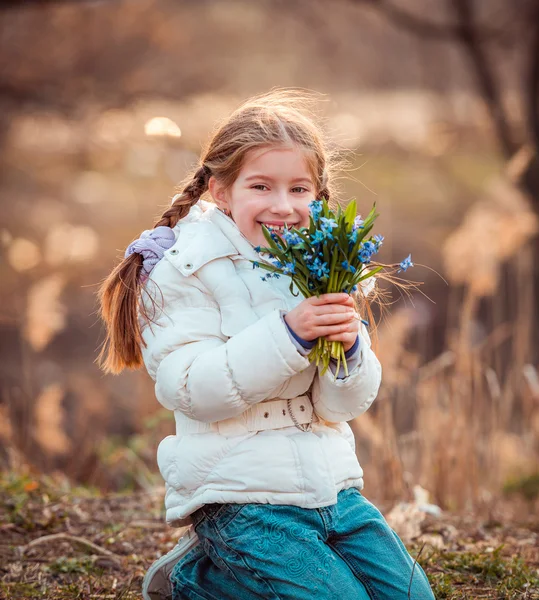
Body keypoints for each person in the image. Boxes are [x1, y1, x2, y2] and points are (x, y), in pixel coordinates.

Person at [98, 90, 435, 600]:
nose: (284, 206)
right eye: (261, 186)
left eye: (300, 189)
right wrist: (289, 334)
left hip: (332, 489)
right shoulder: (185, 271)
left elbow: (340, 405)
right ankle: (193, 583)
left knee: (411, 597)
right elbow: (190, 389)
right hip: (238, 495)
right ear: (221, 192)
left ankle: (225, 576)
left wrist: (348, 354)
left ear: (317, 195)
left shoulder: (322, 270)